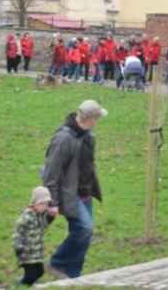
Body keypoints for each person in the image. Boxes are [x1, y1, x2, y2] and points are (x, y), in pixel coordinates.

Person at [43, 100, 107, 280]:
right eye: (98, 118)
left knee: (83, 234)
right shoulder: (63, 139)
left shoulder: (87, 135)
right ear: (92, 119)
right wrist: (52, 202)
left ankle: (72, 276)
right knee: (84, 229)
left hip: (84, 192)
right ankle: (58, 263)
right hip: (69, 194)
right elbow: (51, 172)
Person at [12, 187, 55, 286]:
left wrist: (49, 218)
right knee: (30, 275)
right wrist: (19, 249)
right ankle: (19, 286)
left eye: (47, 205)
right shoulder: (26, 217)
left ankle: (23, 283)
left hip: (36, 253)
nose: (45, 207)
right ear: (35, 203)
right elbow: (17, 234)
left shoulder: (39, 216)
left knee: (40, 272)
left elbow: (41, 228)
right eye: (42, 204)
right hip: (26, 252)